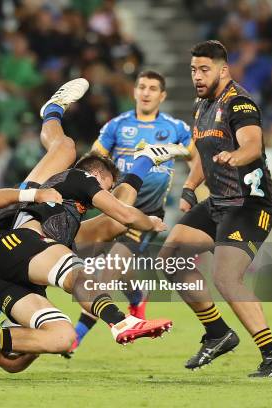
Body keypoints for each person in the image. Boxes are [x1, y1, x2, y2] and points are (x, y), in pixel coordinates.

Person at [0, 79, 177, 359]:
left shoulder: (68, 217)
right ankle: (120, 321)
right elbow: (122, 213)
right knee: (66, 150)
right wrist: (151, 223)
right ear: (96, 177)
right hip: (21, 236)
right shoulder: (81, 179)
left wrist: (144, 161)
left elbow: (116, 222)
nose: (107, 193)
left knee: (58, 340)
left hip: (9, 272)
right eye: (107, 186)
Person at [158, 40, 272, 377]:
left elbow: (252, 144)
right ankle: (218, 333)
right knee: (170, 257)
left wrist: (236, 155)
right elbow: (204, 154)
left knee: (226, 278)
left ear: (223, 69)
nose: (197, 77)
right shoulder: (201, 106)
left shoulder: (240, 104)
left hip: (250, 205)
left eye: (204, 70)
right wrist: (189, 188)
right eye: (193, 70)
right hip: (218, 202)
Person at [70, 70, 194, 352]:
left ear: (162, 95)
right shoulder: (117, 125)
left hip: (146, 215)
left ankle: (74, 337)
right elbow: (94, 160)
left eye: (153, 88)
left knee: (110, 269)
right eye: (142, 87)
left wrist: (191, 189)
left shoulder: (175, 127)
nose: (147, 92)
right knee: (117, 267)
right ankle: (138, 296)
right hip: (113, 210)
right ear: (135, 92)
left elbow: (196, 159)